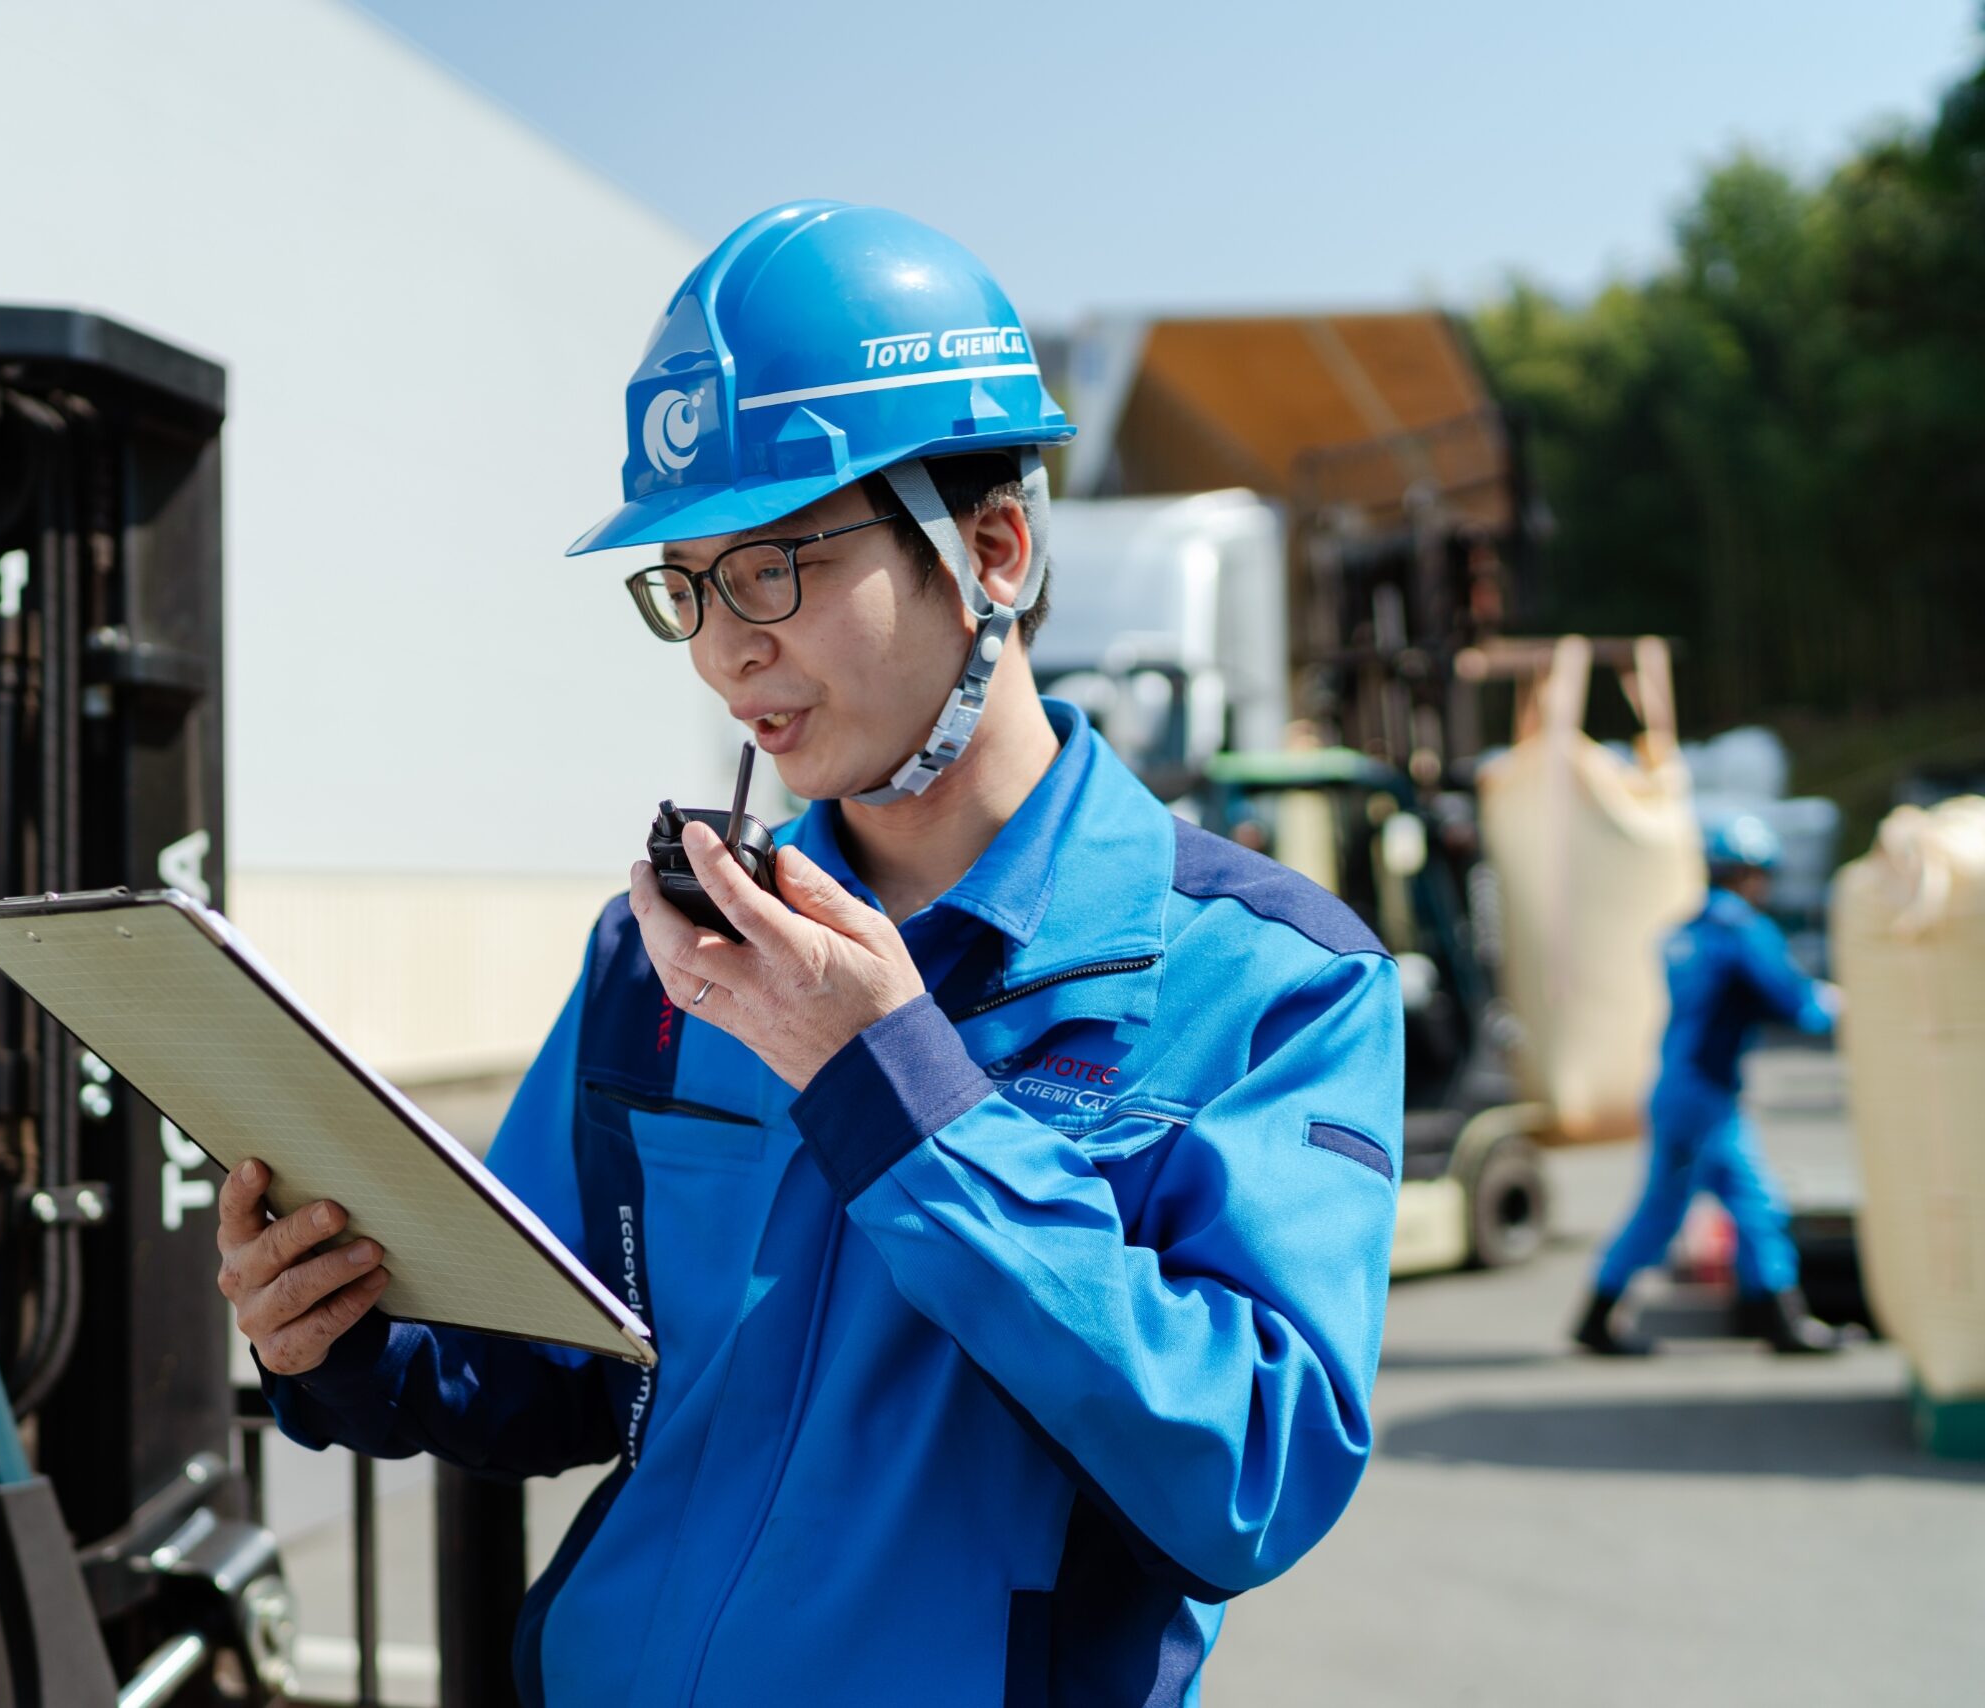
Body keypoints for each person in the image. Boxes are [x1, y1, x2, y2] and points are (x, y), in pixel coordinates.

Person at [217, 202, 1403, 1706]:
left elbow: (1250, 1476)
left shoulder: (1270, 981)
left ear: (993, 546)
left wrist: (894, 1090)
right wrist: (342, 1334)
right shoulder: (668, 952)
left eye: (776, 564)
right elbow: (551, 1365)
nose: (725, 650)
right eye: (687, 584)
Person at [1574, 816, 1843, 1357]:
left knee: (1676, 1207)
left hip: (1678, 1085)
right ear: (1749, 873)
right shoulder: (1742, 931)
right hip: (1706, 1096)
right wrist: (1839, 1004)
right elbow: (1793, 1001)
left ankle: (1601, 1315)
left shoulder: (1684, 931)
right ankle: (1780, 1320)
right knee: (1750, 1202)